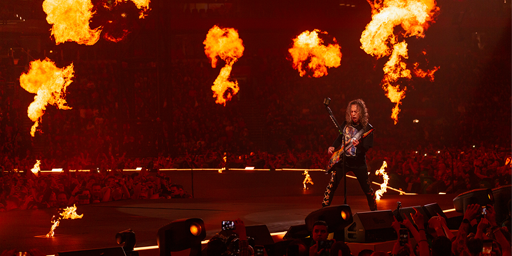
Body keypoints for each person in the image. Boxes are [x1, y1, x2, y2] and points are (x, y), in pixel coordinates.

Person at [322, 99, 376, 211]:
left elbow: (366, 148)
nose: (353, 114)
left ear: (361, 112)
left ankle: (374, 209)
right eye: (351, 112)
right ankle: (323, 209)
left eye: (356, 111)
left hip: (358, 163)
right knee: (332, 184)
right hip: (344, 160)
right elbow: (340, 137)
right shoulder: (346, 124)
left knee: (366, 188)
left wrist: (358, 146)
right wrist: (333, 146)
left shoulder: (367, 129)